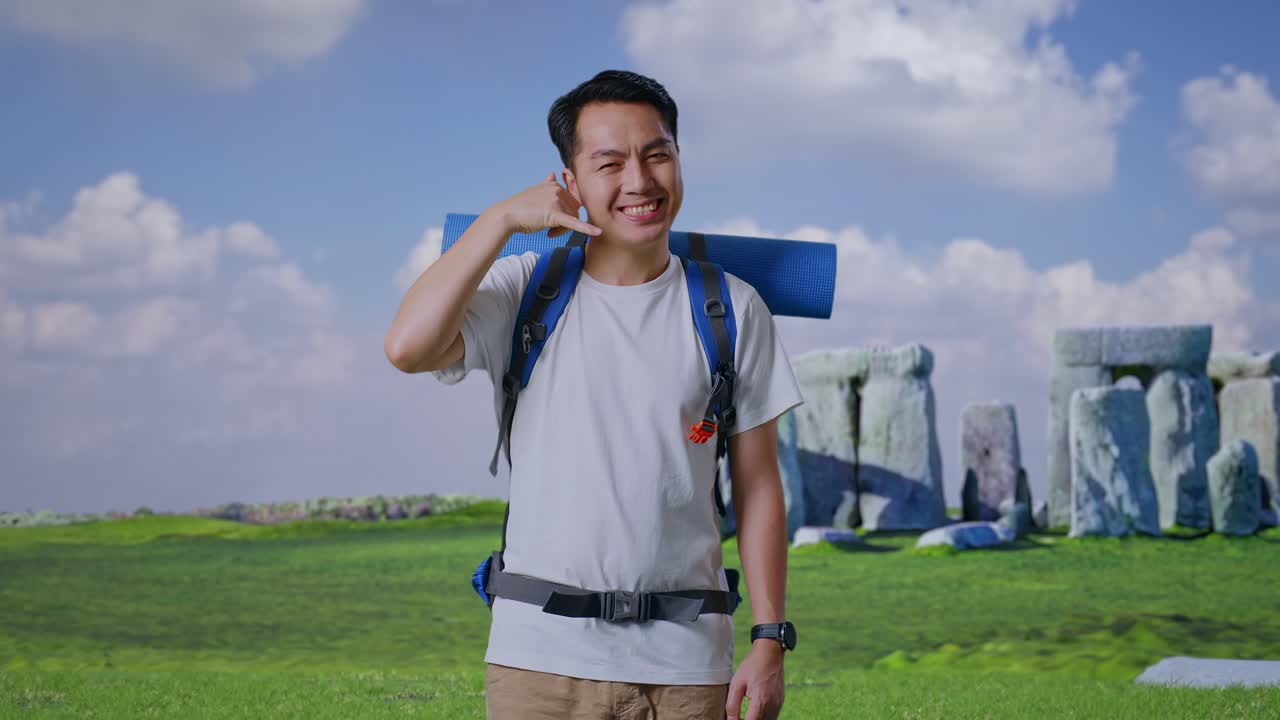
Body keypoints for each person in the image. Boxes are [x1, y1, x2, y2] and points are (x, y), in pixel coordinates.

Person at [385, 69, 803, 720]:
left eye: (657, 154)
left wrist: (770, 638)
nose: (639, 181)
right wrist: (501, 219)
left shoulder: (733, 308)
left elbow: (758, 486)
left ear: (679, 160)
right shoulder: (525, 289)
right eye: (610, 163)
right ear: (571, 183)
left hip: (688, 667)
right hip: (538, 665)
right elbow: (407, 348)